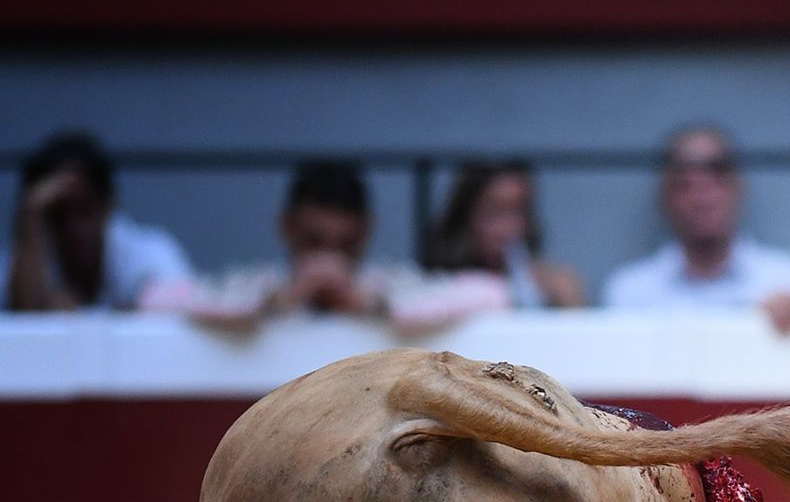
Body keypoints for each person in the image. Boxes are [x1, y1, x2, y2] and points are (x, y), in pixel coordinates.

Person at [146, 159, 501, 333]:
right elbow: (153, 298)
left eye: (344, 245)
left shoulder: (387, 286)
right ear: (287, 227)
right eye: (313, 242)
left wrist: (376, 305)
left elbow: (492, 293)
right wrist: (273, 302)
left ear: (365, 233)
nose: (329, 262)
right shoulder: (262, 285)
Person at [602, 125, 790, 334]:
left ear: (739, 187)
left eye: (716, 178)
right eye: (685, 183)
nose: (702, 197)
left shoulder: (788, 279)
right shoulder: (630, 292)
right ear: (665, 196)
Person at [3, 131, 192, 311]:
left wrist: (82, 319)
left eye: (84, 209)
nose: (73, 227)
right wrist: (30, 214)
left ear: (107, 204)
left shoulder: (150, 253)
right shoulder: (26, 258)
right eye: (58, 214)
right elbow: (22, 314)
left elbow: (178, 316)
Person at [425, 160, 584, 307]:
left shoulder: (549, 285)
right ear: (465, 215)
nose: (510, 226)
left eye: (520, 211)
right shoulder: (433, 287)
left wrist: (567, 301)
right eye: (496, 211)